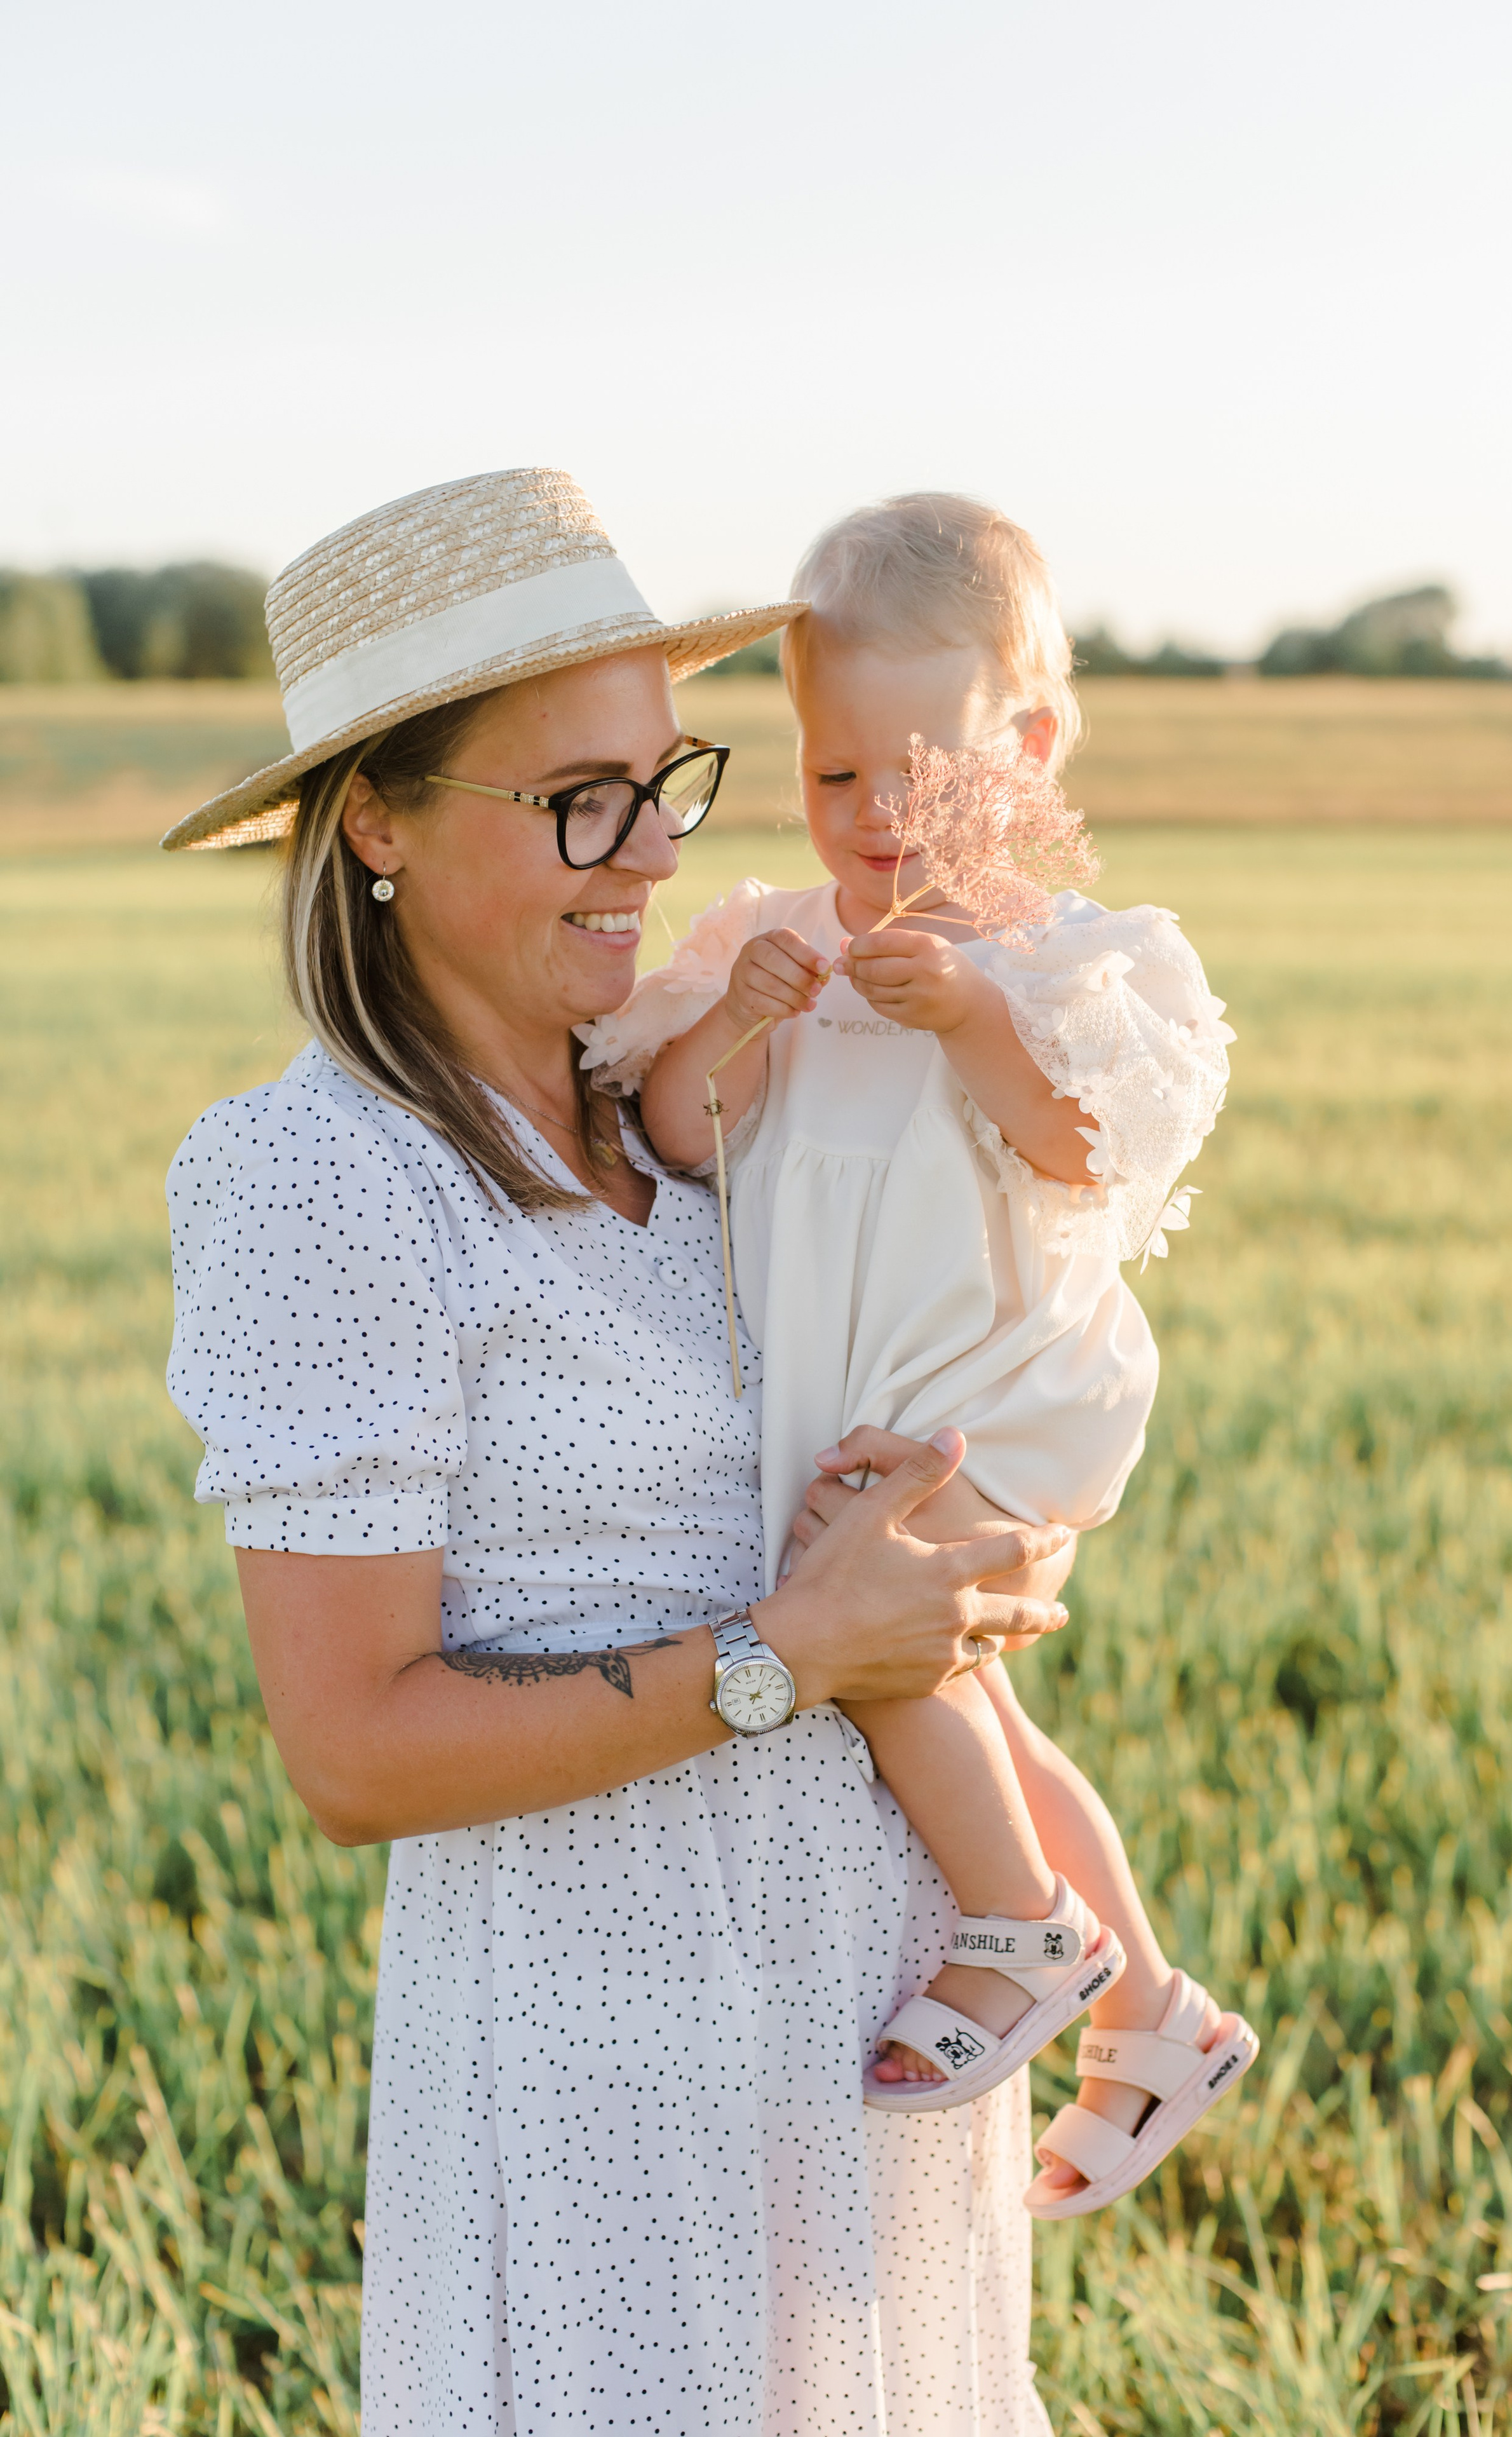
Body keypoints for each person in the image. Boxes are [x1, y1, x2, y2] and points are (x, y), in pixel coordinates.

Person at [163, 467, 1079, 2436]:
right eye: (584, 797)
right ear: (379, 823)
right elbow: (349, 1748)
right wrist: (798, 1652)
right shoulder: (324, 1177)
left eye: (673, 781)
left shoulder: (691, 1092)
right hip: (609, 2075)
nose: (656, 853)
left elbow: (897, 1412)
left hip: (880, 2028)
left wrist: (973, 1565)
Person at [581, 493, 1258, 2215]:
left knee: (892, 1652)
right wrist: (732, 1021)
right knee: (971, 1697)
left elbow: (1091, 1151)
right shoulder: (771, 952)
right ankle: (1161, 2010)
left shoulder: (1071, 967)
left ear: (1027, 745)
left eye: (925, 772)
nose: (876, 823)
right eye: (830, 777)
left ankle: (1025, 1930)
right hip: (849, 1397)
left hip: (990, 1401)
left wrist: (978, 1018)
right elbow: (673, 1136)